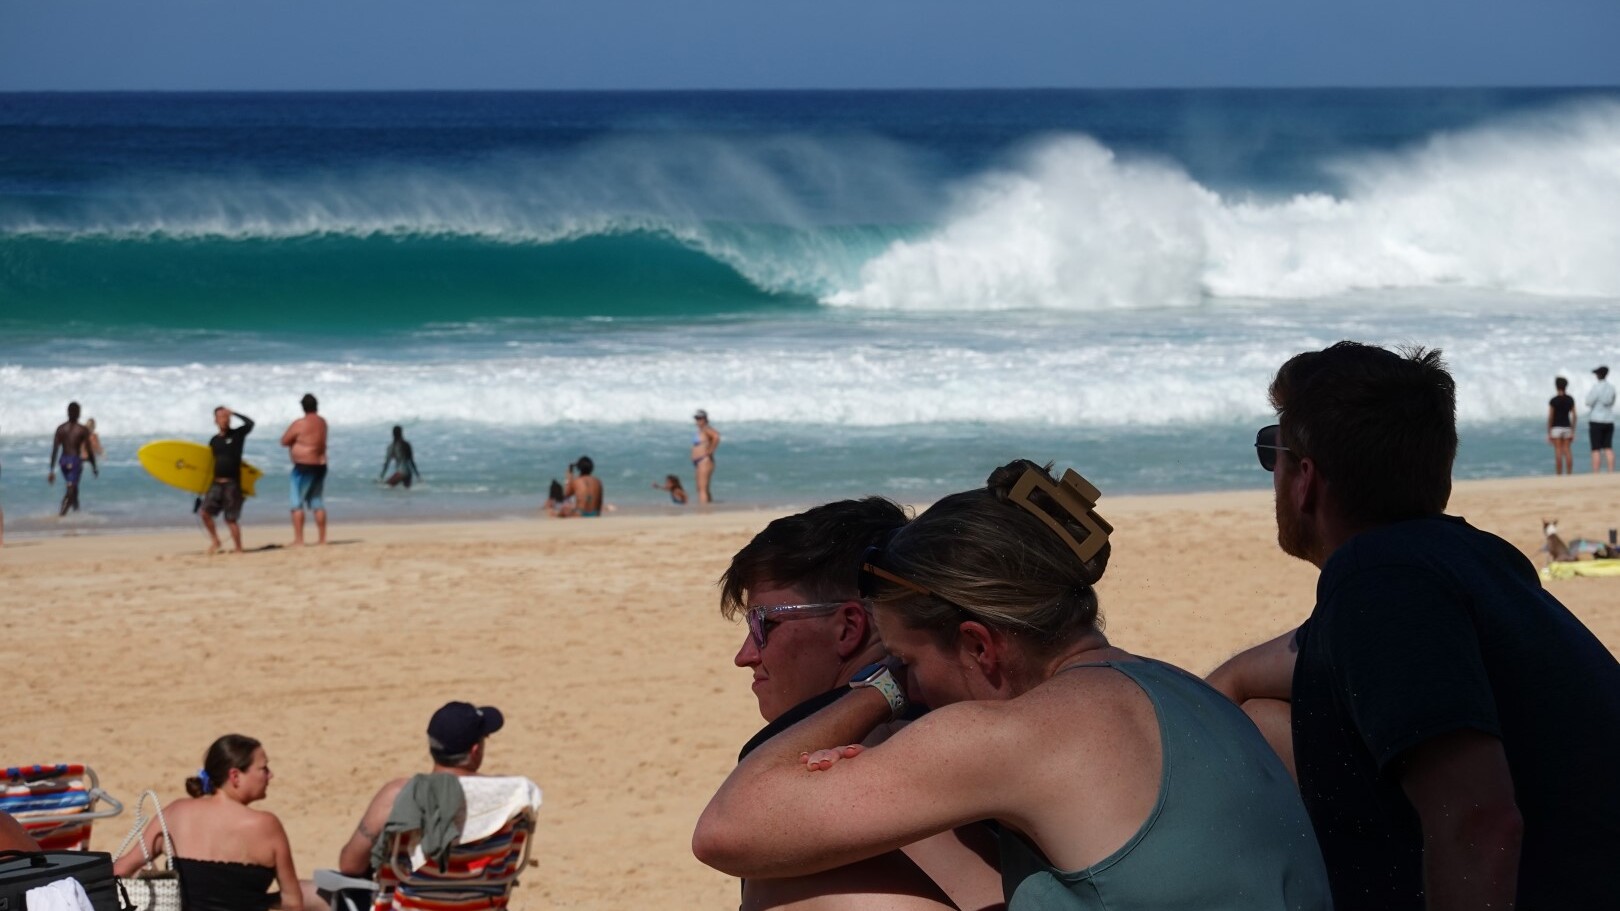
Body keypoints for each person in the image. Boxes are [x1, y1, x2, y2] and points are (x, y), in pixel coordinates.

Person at [695, 460, 1331, 910]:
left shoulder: (1025, 733)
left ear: (978, 645)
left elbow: (728, 830)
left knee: (796, 881)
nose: (910, 686)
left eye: (908, 664)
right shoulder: (1179, 691)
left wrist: (877, 692)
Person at [1209, 341, 1620, 910]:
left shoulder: (1381, 583)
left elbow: (1481, 822)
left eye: (1270, 452)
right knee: (1265, 718)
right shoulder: (1468, 561)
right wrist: (1221, 689)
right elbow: (1284, 663)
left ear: (1305, 480)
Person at [716, 497, 1002, 911]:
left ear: (849, 627)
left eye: (763, 624)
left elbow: (720, 834)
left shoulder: (810, 755)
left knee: (784, 866)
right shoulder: (979, 707)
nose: (745, 654)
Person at [113, 734, 313, 911]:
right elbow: (293, 903)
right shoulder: (266, 825)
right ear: (235, 775)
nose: (270, 775)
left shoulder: (177, 812)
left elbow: (121, 869)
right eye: (263, 768)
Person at [332, 702, 504, 879]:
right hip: (483, 901)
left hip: (407, 903)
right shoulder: (507, 796)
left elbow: (350, 865)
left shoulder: (398, 795)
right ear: (475, 751)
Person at [203, 407, 254, 554]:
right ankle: (215, 541)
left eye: (226, 417)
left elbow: (250, 423)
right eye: (220, 417)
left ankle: (238, 548)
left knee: (230, 519)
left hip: (232, 484)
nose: (224, 420)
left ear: (230, 419)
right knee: (204, 513)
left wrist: (234, 412)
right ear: (215, 421)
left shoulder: (238, 435)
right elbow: (208, 463)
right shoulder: (213, 441)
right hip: (216, 483)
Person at [281, 393, 329, 546]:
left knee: (296, 503)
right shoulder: (322, 422)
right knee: (317, 502)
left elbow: (284, 440)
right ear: (317, 405)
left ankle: (299, 540)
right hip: (321, 465)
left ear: (302, 407)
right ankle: (322, 539)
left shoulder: (300, 423)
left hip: (304, 466)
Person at [48, 401, 97, 516]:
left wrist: (51, 470)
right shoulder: (82, 430)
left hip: (63, 461)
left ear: (67, 412)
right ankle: (61, 515)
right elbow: (89, 450)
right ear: (79, 413)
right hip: (74, 461)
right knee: (71, 490)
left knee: (74, 489)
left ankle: (77, 514)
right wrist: (94, 466)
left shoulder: (60, 429)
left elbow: (55, 450)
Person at [1588, 364, 1615, 473]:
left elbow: (1588, 402)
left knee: (1596, 449)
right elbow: (1612, 402)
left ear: (1598, 375)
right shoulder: (1611, 387)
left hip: (1596, 420)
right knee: (1608, 447)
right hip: (1609, 419)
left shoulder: (1596, 387)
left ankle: (1596, 472)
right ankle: (1611, 471)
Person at [1548, 376, 1576, 475]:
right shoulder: (1570, 399)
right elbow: (1574, 415)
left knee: (1558, 451)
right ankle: (1569, 473)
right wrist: (1573, 430)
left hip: (1556, 427)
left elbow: (1551, 417)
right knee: (1567, 451)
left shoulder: (1553, 400)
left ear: (1556, 386)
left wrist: (1549, 431)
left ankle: (1559, 474)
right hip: (1567, 426)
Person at [691, 410, 720, 504]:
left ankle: (703, 511)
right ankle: (709, 507)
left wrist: (710, 450)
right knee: (701, 488)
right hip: (699, 461)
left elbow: (716, 436)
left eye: (700, 418)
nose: (698, 421)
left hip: (704, 460)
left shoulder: (707, 429)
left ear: (705, 419)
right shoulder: (701, 430)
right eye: (696, 418)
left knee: (702, 488)